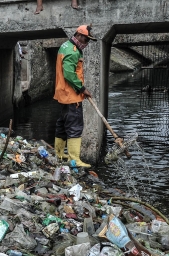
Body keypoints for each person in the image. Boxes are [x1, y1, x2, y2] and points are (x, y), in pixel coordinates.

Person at [53, 25, 96, 168]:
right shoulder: (73, 52)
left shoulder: (65, 46)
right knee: (75, 126)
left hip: (62, 94)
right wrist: (83, 89)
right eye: (86, 39)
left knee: (62, 124)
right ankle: (74, 159)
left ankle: (59, 154)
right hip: (72, 96)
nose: (87, 43)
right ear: (78, 35)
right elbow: (69, 74)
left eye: (88, 40)